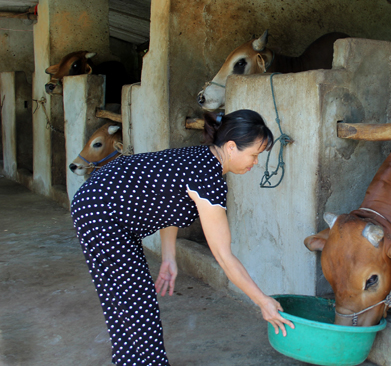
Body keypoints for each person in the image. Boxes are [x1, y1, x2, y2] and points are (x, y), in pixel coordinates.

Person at [71, 109, 294, 365]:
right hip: (103, 214)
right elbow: (223, 255)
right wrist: (262, 301)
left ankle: (129, 360)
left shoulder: (202, 157)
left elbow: (167, 203)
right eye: (254, 155)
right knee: (139, 312)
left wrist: (169, 257)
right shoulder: (208, 178)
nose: (255, 163)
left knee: (124, 306)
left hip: (98, 205)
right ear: (231, 147)